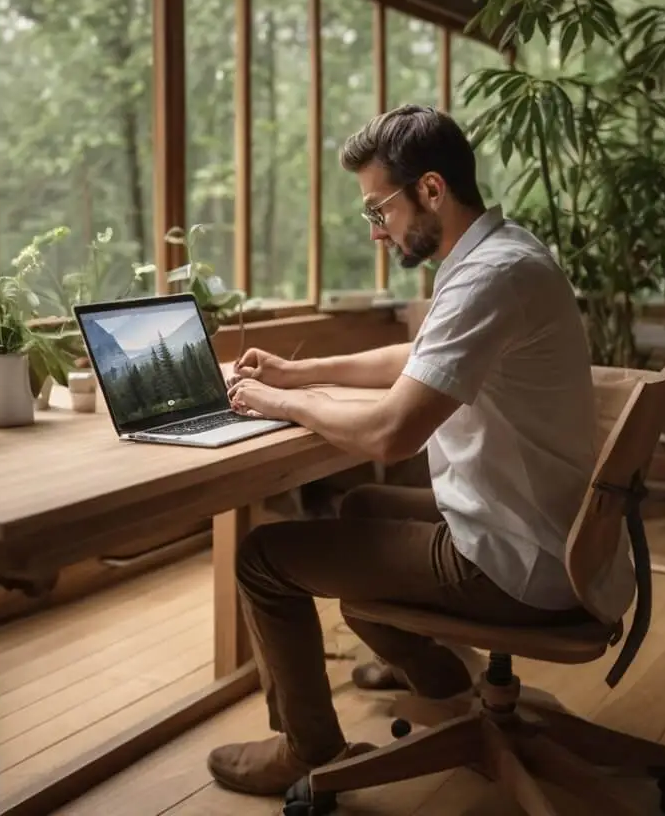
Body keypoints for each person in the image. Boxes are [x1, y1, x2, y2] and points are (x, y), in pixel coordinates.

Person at [206, 104, 636, 797]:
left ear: (430, 191)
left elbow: (389, 433)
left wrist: (273, 401)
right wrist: (298, 373)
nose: (377, 232)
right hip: (557, 532)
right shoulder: (501, 253)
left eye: (380, 210)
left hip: (517, 561)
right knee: (365, 505)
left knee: (264, 559)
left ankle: (308, 750)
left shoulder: (487, 278)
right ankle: (443, 680)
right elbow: (419, 356)